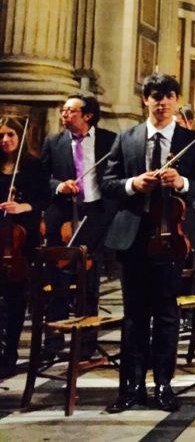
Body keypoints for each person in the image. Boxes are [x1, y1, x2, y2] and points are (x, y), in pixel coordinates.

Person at [101, 73, 195, 413]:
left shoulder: (192, 141)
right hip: (133, 237)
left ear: (176, 100)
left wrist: (181, 182)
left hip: (171, 240)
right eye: (154, 96)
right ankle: (130, 386)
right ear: (145, 100)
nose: (160, 102)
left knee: (166, 314)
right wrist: (133, 184)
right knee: (133, 314)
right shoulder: (127, 137)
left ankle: (164, 384)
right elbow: (108, 184)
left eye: (167, 96)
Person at [40, 94, 117, 359]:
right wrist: (59, 186)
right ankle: (53, 341)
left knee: (90, 281)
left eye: (71, 111)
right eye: (63, 110)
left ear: (88, 116)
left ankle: (87, 342)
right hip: (63, 213)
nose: (64, 115)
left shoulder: (109, 140)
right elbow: (41, 178)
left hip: (96, 213)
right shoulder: (54, 141)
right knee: (58, 279)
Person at [0, 118, 50, 378]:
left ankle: (10, 353)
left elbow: (44, 199)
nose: (5, 140)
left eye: (10, 135)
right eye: (1, 136)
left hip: (21, 238)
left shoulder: (32, 165)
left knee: (15, 297)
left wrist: (22, 207)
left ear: (20, 136)